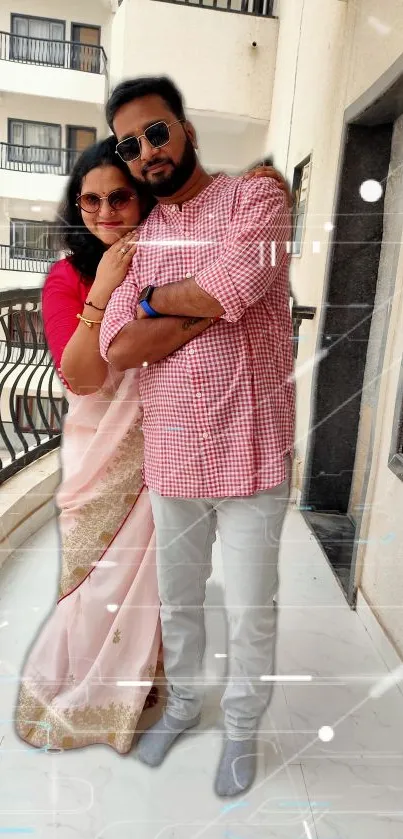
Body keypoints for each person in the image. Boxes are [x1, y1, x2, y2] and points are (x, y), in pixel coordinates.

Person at [14, 136, 289, 755]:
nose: (106, 212)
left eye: (120, 196)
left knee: (166, 587)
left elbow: (233, 286)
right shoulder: (69, 274)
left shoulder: (177, 252)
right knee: (98, 580)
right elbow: (84, 374)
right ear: (76, 209)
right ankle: (88, 691)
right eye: (90, 201)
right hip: (104, 454)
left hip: (178, 442)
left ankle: (150, 687)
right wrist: (104, 289)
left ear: (143, 198)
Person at [100, 76, 295, 796]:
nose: (147, 151)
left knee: (250, 604)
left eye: (156, 131)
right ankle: (183, 704)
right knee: (178, 600)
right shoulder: (141, 238)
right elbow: (119, 347)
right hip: (174, 454)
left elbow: (235, 281)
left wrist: (159, 300)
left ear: (183, 128)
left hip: (251, 447)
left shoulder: (257, 197)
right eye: (130, 145)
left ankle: (241, 726)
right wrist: (206, 301)